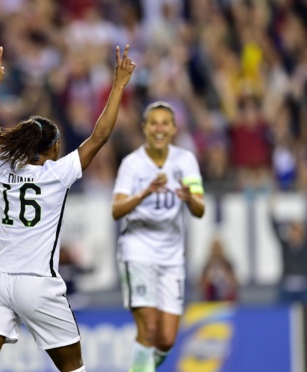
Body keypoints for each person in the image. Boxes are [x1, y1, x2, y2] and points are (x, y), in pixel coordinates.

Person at [0, 45, 135, 372]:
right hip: (37, 282)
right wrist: (119, 86)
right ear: (53, 149)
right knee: (74, 367)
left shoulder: (2, 166)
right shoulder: (57, 173)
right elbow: (99, 136)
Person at [111, 101, 205, 372]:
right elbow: (116, 210)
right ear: (145, 128)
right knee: (149, 328)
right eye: (154, 123)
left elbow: (200, 209)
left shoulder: (185, 161)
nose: (159, 128)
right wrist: (144, 193)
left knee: (167, 339)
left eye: (165, 123)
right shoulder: (132, 165)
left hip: (172, 256)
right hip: (137, 250)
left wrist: (190, 199)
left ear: (174, 128)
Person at [269, 192, 307, 305]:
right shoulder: (285, 245)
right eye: (293, 231)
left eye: (298, 231)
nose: (295, 234)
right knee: (280, 313)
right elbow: (273, 227)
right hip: (286, 288)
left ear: (302, 233)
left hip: (305, 287)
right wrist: (271, 208)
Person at [199, 237, 238, 302]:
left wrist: (226, 278)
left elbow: (235, 284)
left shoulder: (227, 264)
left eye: (218, 248)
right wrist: (209, 280)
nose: (216, 251)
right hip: (211, 299)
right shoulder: (207, 265)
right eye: (215, 248)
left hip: (226, 298)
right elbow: (201, 285)